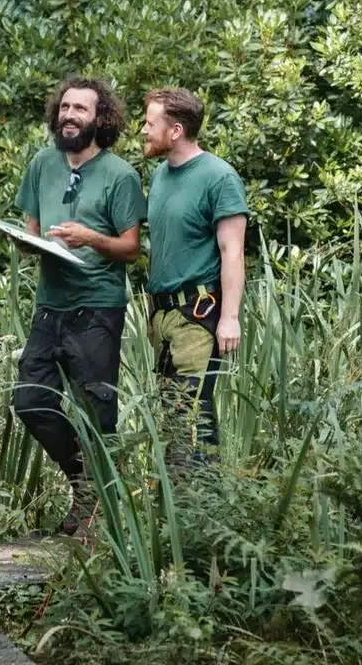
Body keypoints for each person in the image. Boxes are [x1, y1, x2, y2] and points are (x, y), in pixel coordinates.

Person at [12, 76, 147, 536]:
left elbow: (131, 249)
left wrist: (89, 238)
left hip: (97, 310)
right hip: (49, 306)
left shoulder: (121, 175)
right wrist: (21, 241)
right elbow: (31, 233)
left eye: (81, 110)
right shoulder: (42, 164)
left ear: (100, 119)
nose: (69, 116)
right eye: (65, 108)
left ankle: (95, 513)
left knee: (97, 413)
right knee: (30, 400)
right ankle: (85, 483)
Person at [140, 87, 248, 472]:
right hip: (163, 315)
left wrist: (230, 317)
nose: (143, 131)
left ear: (176, 130)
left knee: (193, 415)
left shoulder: (219, 177)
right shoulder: (159, 176)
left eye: (150, 124)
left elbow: (232, 251)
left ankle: (207, 515)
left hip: (198, 314)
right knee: (171, 416)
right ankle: (177, 514)